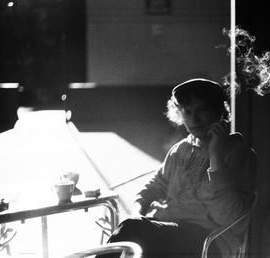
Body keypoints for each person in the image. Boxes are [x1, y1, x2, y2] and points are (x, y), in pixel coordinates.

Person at [97, 78, 257, 258]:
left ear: (220, 111)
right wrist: (136, 211)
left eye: (202, 110)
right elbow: (155, 186)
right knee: (133, 231)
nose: (194, 119)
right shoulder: (181, 149)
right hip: (166, 231)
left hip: (209, 242)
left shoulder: (238, 154)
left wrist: (215, 156)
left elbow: (228, 217)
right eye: (187, 112)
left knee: (132, 232)